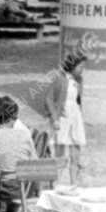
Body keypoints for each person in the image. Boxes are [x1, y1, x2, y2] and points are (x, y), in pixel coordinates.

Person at [43, 51, 87, 185]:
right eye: (80, 67)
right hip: (62, 118)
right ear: (72, 66)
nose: (82, 70)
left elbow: (78, 100)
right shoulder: (60, 80)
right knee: (59, 152)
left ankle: (74, 183)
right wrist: (55, 118)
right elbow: (48, 98)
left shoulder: (79, 80)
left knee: (76, 149)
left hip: (75, 117)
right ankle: (56, 184)